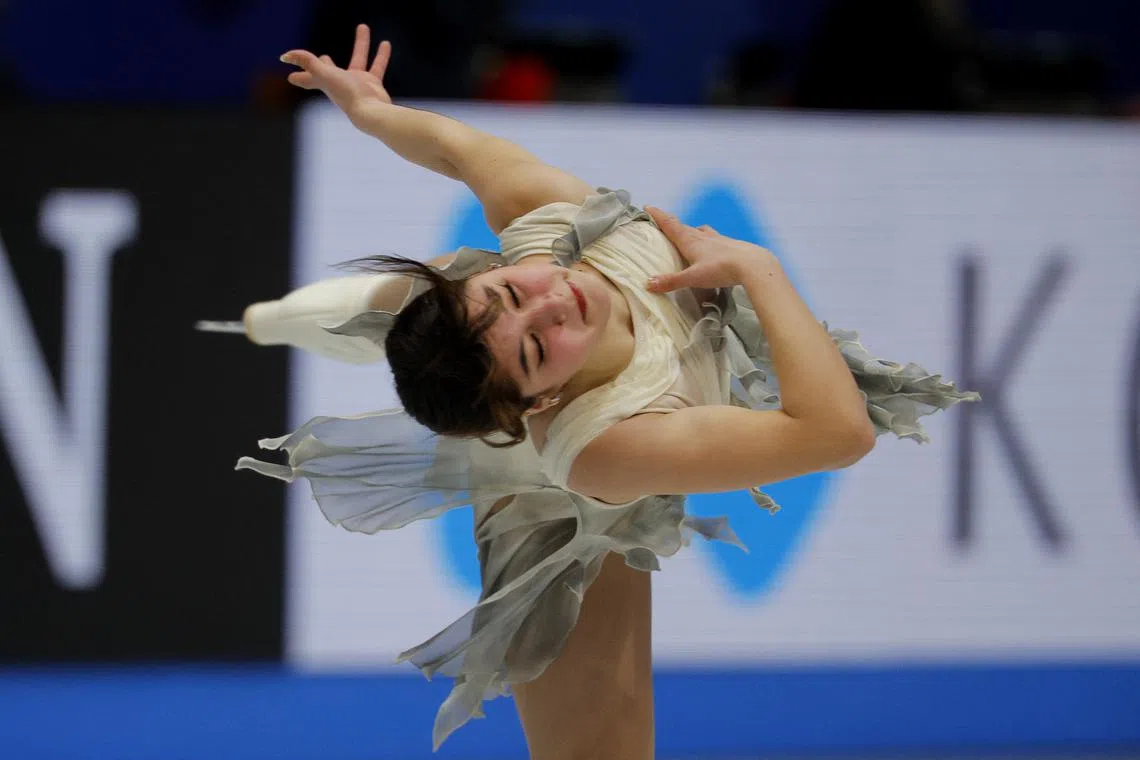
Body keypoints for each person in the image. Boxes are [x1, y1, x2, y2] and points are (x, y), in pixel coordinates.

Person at [225, 24, 979, 758]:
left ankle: (344, 306)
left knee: (431, 296)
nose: (554, 303)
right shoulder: (602, 446)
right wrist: (756, 268)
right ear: (536, 405)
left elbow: (454, 150)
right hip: (553, 505)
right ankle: (280, 318)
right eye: (533, 346)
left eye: (512, 293)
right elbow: (836, 434)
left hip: (537, 377)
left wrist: (374, 113)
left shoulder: (550, 223)